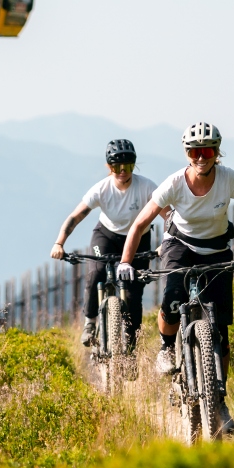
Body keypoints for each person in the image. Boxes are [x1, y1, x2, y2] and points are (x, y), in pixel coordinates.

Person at [117, 121, 234, 434]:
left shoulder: (228, 180)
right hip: (179, 245)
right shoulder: (174, 183)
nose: (202, 156)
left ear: (216, 152)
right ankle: (166, 346)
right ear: (188, 153)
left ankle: (220, 401)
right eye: (195, 151)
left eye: (208, 150)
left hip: (216, 250)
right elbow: (140, 224)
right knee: (173, 301)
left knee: (221, 330)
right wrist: (126, 262)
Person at [51, 139, 158, 347]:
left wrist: (169, 241)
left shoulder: (147, 187)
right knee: (97, 272)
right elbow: (76, 216)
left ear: (133, 165)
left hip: (139, 239)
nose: (122, 171)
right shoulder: (102, 189)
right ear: (109, 167)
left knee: (135, 293)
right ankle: (90, 322)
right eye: (117, 166)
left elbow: (167, 214)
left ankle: (131, 348)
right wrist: (59, 243)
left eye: (127, 166)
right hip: (107, 235)